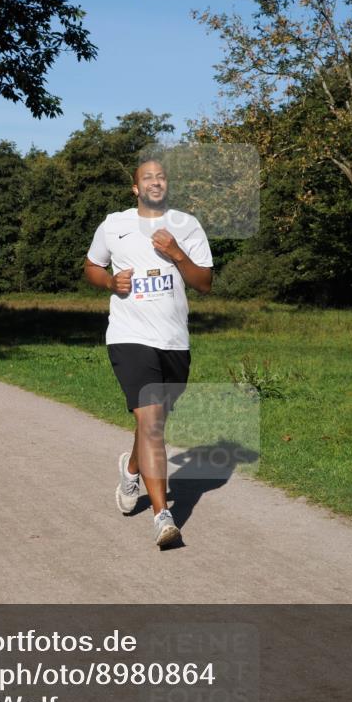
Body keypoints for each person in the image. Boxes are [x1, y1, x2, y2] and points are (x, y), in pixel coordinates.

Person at [84, 157, 213, 548]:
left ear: (166, 186)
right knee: (153, 422)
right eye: (147, 177)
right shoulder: (114, 224)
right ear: (136, 189)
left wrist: (176, 253)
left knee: (153, 422)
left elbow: (204, 282)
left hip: (174, 341)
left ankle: (131, 467)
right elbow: (91, 266)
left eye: (161, 176)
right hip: (128, 335)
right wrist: (110, 281)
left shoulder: (186, 225)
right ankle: (163, 517)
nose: (155, 181)